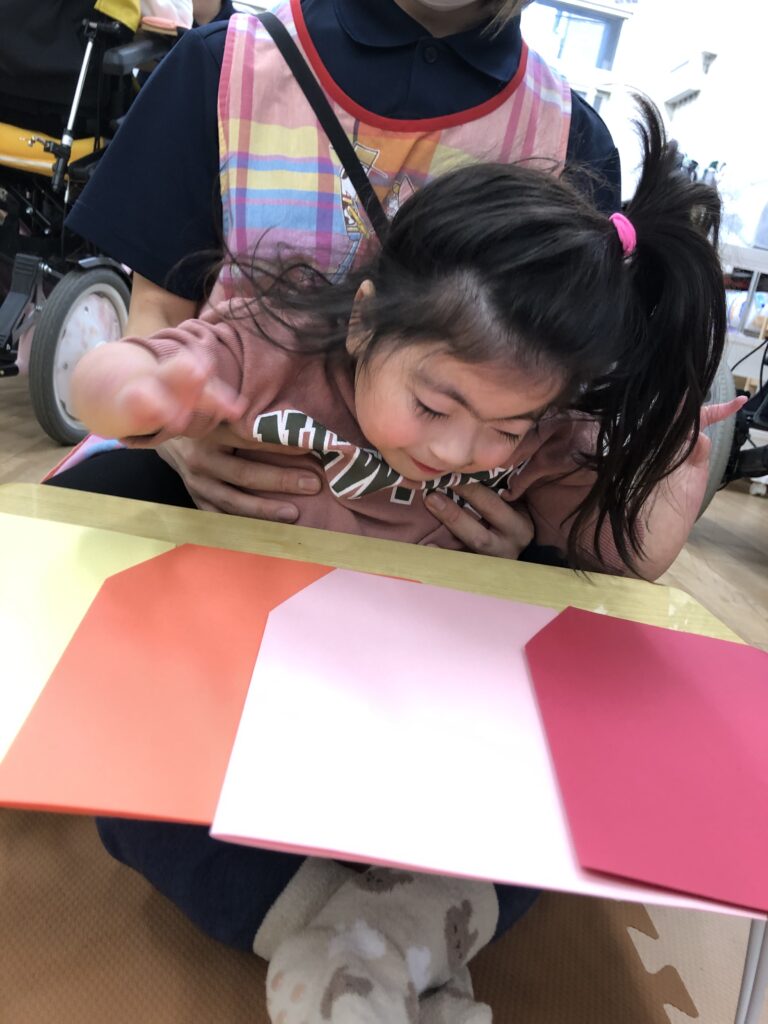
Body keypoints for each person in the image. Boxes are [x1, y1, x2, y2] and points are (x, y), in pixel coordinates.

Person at [69, 106, 738, 1022]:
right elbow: (102, 381)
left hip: (424, 720)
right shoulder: (271, 347)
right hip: (246, 690)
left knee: (557, 815)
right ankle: (360, 944)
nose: (461, 449)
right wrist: (145, 391)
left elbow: (606, 554)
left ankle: (372, 948)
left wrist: (657, 517)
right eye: (433, 406)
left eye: (505, 428)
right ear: (363, 322)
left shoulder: (537, 436)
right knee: (129, 796)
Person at [55, 0, 621, 551]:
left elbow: (557, 411)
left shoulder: (573, 138)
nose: (450, 447)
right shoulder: (223, 63)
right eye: (431, 406)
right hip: (213, 488)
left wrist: (527, 547)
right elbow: (156, 318)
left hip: (438, 542)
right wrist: (174, 429)